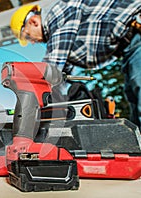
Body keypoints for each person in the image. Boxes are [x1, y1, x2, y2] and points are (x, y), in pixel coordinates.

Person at [9, 0, 141, 130]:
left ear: (33, 22)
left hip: (136, 31)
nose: (32, 42)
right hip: (129, 48)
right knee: (134, 102)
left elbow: (52, 67)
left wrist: (30, 105)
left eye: (27, 36)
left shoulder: (57, 15)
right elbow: (59, 77)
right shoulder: (62, 35)